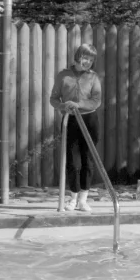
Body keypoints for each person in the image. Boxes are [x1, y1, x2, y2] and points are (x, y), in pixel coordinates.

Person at [49, 43, 103, 212]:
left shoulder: (93, 77)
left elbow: (96, 100)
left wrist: (78, 104)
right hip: (70, 120)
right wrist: (64, 106)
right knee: (72, 160)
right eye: (85, 57)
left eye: (91, 59)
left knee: (88, 159)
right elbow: (54, 98)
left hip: (89, 120)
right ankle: (72, 198)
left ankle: (83, 200)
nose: (88, 62)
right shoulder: (63, 75)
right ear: (78, 56)